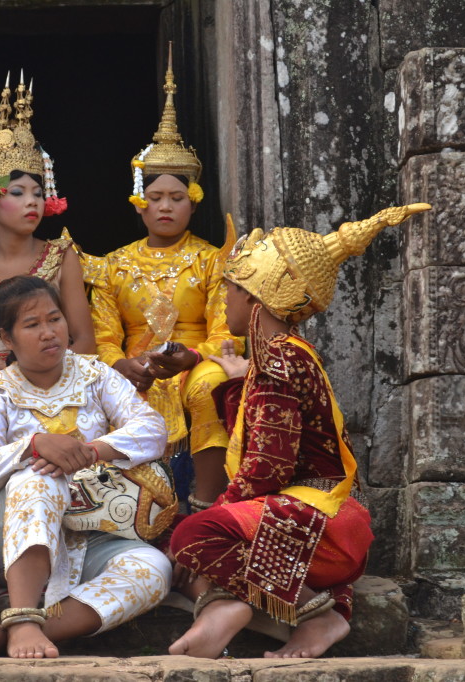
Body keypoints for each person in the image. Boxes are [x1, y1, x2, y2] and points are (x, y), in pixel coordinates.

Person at [167, 203, 431, 659]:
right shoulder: (290, 354)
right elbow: (264, 443)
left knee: (192, 538)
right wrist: (236, 384)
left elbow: (268, 466)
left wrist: (212, 516)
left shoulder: (277, 362)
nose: (222, 300)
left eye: (229, 289)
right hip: (332, 529)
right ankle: (236, 610)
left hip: (318, 525)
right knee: (204, 550)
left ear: (254, 298)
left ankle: (313, 613)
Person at [0, 275, 171, 659]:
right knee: (38, 477)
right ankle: (20, 617)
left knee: (153, 570)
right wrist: (32, 446)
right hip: (10, 532)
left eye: (54, 319)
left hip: (91, 533)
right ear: (7, 338)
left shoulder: (95, 373)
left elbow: (152, 429)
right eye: (32, 324)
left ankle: (29, 629)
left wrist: (92, 451)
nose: (49, 332)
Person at [85, 46, 243, 511]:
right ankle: (122, 510)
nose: (166, 206)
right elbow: (104, 337)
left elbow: (226, 333)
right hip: (136, 369)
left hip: (195, 363)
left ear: (193, 203)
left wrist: (191, 356)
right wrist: (121, 367)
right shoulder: (114, 264)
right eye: (156, 197)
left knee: (207, 385)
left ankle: (205, 503)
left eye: (177, 196)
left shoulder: (214, 260)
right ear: (141, 204)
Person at [0, 73, 95, 404]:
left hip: (61, 377)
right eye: (18, 192)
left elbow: (85, 339)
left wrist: (45, 371)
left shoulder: (63, 255)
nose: (33, 202)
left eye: (38, 193)